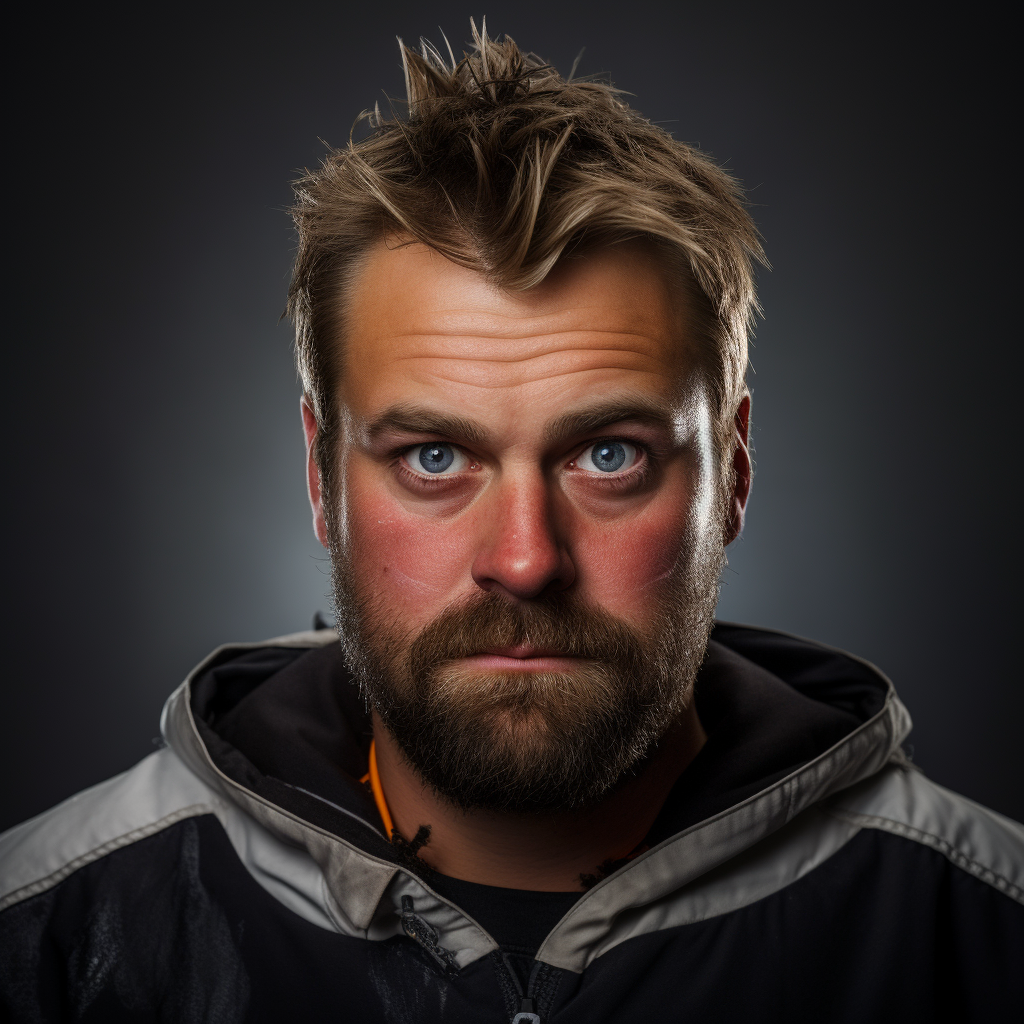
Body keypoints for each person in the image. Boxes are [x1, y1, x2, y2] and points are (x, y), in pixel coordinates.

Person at [1, 23, 1020, 1023]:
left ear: (735, 472)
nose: (525, 561)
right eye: (433, 458)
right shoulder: (46, 933)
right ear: (320, 481)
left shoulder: (980, 928)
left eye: (608, 455)